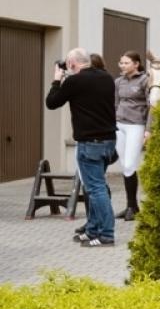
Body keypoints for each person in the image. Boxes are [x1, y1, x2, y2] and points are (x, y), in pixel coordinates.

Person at [45, 48, 118, 247]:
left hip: (89, 143)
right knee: (95, 186)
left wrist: (57, 79)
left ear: (72, 64)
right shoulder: (107, 78)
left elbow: (51, 102)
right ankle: (93, 228)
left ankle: (107, 234)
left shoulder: (74, 82)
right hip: (109, 141)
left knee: (95, 189)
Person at [113, 50, 152, 220]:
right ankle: (131, 206)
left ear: (136, 64)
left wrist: (149, 129)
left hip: (136, 125)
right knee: (125, 166)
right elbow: (116, 103)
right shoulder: (118, 81)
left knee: (130, 163)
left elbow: (152, 106)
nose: (122, 65)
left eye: (126, 62)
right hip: (119, 125)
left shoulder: (145, 80)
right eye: (121, 63)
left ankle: (132, 206)